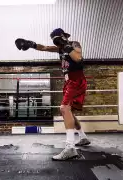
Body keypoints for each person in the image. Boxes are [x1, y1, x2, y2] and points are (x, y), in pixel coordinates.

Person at [15, 28, 90, 160]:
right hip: (68, 81)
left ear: (63, 36)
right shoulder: (59, 48)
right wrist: (30, 44)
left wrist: (65, 45)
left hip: (76, 80)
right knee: (69, 111)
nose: (56, 43)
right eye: (55, 40)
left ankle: (70, 148)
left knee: (64, 108)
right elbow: (44, 47)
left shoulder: (74, 44)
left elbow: (78, 58)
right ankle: (83, 137)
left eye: (57, 39)